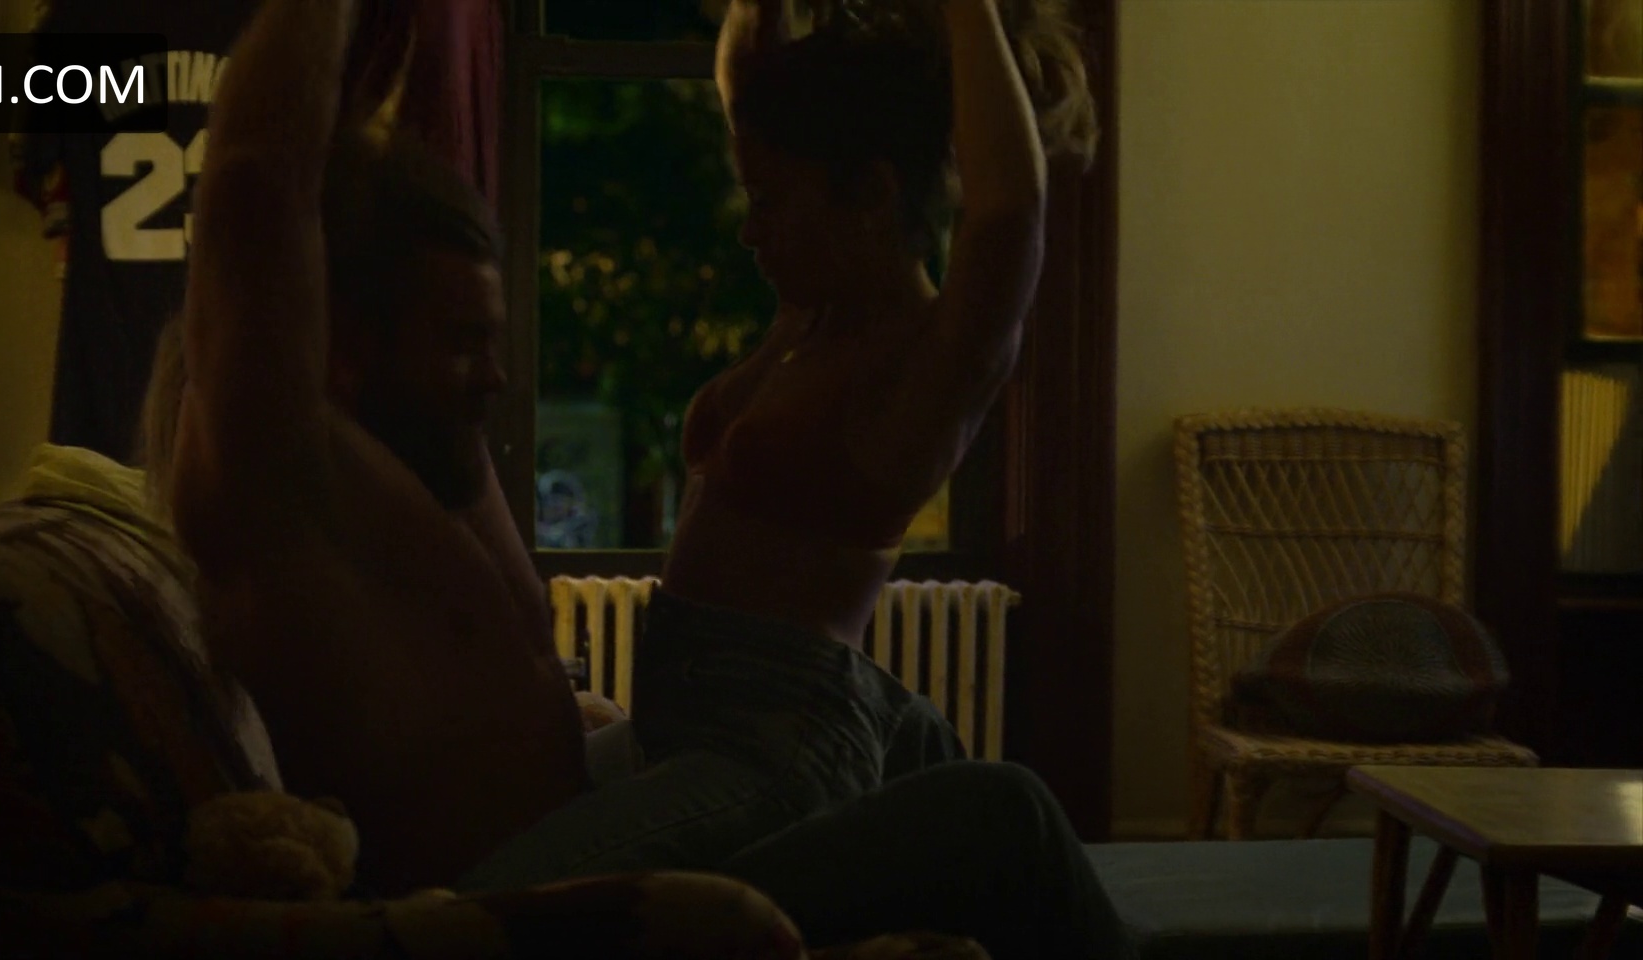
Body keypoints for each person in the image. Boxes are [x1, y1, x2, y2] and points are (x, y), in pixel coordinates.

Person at [162, 0, 1134, 955]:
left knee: (497, 911)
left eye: (769, 203)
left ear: (873, 199)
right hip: (697, 723)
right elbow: (746, 79)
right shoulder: (811, 319)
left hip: (771, 744)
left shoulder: (918, 372)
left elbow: (1009, 216)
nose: (749, 230)